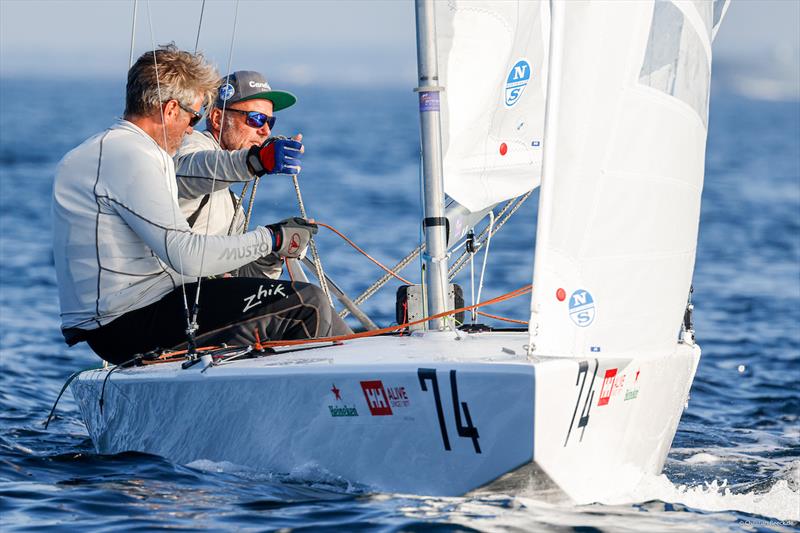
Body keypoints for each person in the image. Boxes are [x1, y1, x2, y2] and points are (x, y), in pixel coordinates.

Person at [52, 45, 351, 365]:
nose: (192, 127)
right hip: (130, 322)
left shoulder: (117, 152)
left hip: (134, 317)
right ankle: (357, 379)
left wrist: (271, 254)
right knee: (308, 304)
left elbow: (228, 270)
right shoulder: (136, 155)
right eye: (193, 116)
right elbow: (198, 173)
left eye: (270, 122)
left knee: (290, 305)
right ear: (169, 111)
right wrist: (270, 227)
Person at [174, 70, 300, 279]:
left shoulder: (233, 207)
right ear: (216, 118)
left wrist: (274, 252)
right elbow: (191, 172)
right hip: (160, 301)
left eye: (271, 122)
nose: (266, 131)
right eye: (257, 119)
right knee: (311, 301)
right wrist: (257, 161)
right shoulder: (191, 145)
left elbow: (239, 276)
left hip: (203, 304)